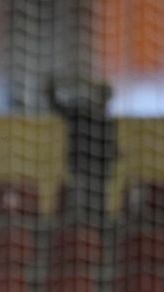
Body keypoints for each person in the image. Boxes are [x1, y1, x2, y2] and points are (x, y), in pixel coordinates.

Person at [46, 74, 117, 225]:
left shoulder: (107, 121)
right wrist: (51, 87)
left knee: (97, 213)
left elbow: (110, 146)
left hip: (98, 174)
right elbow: (57, 105)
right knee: (80, 213)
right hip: (82, 170)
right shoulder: (80, 112)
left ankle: (94, 240)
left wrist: (115, 155)